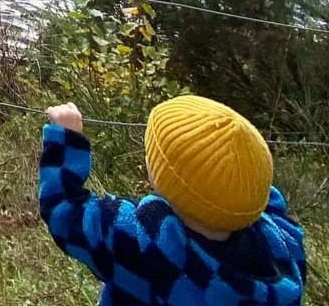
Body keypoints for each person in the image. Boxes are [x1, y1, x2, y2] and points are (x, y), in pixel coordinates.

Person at [39, 96, 305, 305]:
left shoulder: (144, 243)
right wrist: (240, 165)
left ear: (163, 180)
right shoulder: (282, 246)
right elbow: (262, 199)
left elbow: (64, 210)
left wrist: (67, 138)